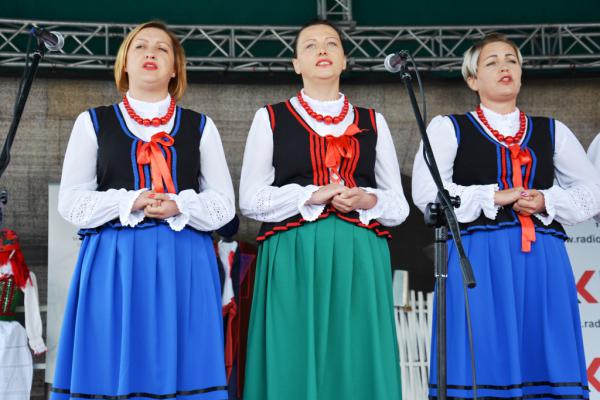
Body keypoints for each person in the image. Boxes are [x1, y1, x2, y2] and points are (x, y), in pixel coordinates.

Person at [51, 21, 234, 400]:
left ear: (175, 69)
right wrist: (128, 201)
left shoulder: (201, 126)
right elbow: (70, 201)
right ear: (125, 64)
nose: (150, 53)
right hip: (113, 262)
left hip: (184, 261)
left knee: (185, 368)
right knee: (111, 359)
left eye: (162, 49)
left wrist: (178, 204)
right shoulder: (92, 122)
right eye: (140, 47)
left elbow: (223, 206)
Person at [412, 33, 600, 399]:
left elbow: (592, 193)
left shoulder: (552, 131)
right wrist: (495, 197)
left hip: (542, 259)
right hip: (478, 257)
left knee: (544, 351)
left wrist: (545, 200)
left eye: (511, 60)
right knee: (483, 353)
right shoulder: (448, 127)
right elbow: (427, 192)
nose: (504, 67)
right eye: (492, 62)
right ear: (472, 79)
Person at [240, 19, 409, 400]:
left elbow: (398, 206)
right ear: (296, 63)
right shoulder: (270, 117)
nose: (322, 50)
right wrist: (312, 195)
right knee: (293, 349)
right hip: (292, 251)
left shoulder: (372, 121)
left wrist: (368, 199)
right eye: (310, 45)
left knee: (356, 352)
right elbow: (250, 199)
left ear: (345, 60)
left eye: (331, 43)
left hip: (359, 251)